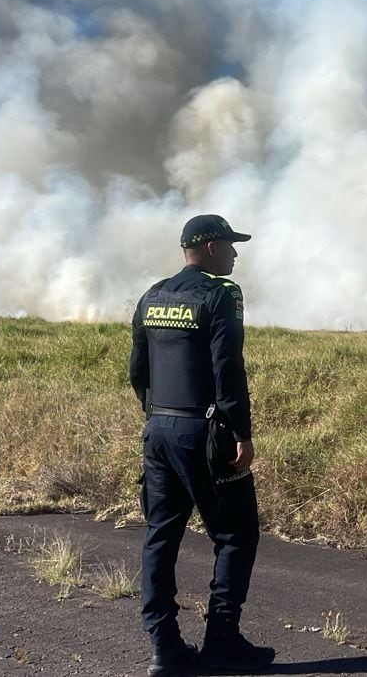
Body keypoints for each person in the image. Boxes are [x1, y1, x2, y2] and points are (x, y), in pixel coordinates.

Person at [130, 214, 274, 676]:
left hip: (158, 432)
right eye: (230, 244)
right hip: (205, 437)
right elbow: (227, 368)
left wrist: (157, 418)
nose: (235, 253)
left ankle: (164, 649)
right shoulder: (221, 294)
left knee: (160, 535)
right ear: (210, 247)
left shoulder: (153, 295)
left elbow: (138, 369)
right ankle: (222, 641)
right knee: (236, 534)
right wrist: (239, 433)